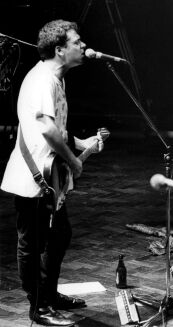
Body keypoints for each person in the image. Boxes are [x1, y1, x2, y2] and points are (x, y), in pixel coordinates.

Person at [0, 20, 104, 326]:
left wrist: (83, 143)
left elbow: (55, 128)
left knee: (59, 235)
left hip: (50, 176)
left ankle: (48, 294)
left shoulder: (56, 78)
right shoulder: (43, 79)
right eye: (77, 42)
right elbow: (45, 128)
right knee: (32, 244)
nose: (83, 46)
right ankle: (39, 307)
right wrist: (74, 160)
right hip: (35, 178)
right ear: (59, 50)